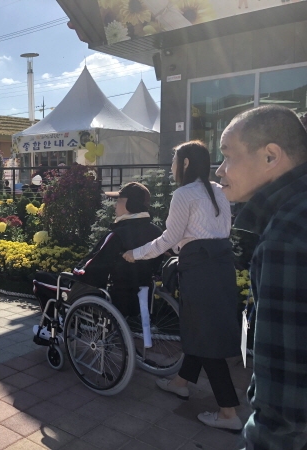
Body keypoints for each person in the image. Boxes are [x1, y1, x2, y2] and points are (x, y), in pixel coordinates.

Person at [123, 141, 241, 431]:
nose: (172, 166)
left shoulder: (184, 194)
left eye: (175, 160)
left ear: (186, 163)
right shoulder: (219, 190)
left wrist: (136, 253)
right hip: (222, 267)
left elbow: (170, 238)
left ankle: (229, 413)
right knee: (202, 329)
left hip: (199, 270)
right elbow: (220, 232)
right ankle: (180, 382)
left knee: (207, 337)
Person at [216, 105, 307, 449]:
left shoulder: (287, 236)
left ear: (271, 156)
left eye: (227, 155)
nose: (220, 170)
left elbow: (284, 411)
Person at [32, 182, 163, 337]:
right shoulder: (157, 233)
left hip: (103, 295)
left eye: (118, 201)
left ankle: (51, 329)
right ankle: (67, 321)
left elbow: (90, 270)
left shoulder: (118, 235)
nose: (115, 205)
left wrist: (76, 271)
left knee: (39, 279)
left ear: (130, 204)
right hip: (137, 295)